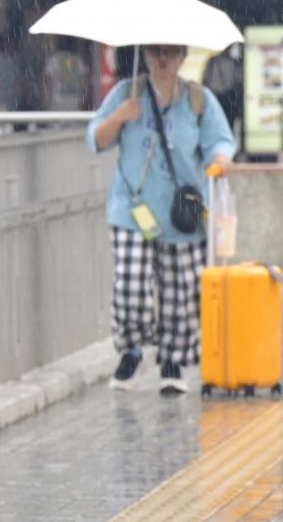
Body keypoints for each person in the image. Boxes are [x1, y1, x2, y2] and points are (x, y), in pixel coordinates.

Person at [87, 44, 236, 395]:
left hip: (180, 214)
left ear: (183, 57)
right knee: (130, 280)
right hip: (131, 209)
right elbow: (96, 139)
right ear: (146, 55)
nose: (163, 60)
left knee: (180, 293)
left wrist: (220, 159)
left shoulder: (198, 100)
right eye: (155, 53)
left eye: (170, 53)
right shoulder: (127, 93)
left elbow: (222, 141)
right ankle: (132, 351)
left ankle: (174, 359)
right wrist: (119, 116)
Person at [43, 37, 89, 111]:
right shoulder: (78, 60)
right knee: (74, 121)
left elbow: (47, 80)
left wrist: (47, 98)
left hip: (57, 100)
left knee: (56, 121)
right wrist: (84, 97)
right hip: (75, 100)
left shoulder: (53, 60)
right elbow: (85, 79)